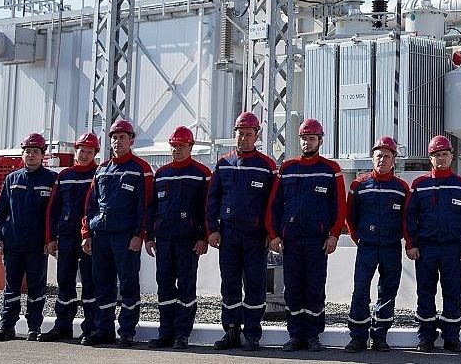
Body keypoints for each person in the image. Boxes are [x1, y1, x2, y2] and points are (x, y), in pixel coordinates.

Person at [267, 118, 346, 353]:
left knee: (314, 288)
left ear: (320, 141)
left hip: (317, 241)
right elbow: (274, 204)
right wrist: (274, 234)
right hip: (291, 240)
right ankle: (295, 335)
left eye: (312, 138)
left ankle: (312, 336)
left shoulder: (331, 169)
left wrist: (334, 235)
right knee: (292, 289)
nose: (307, 142)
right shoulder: (287, 168)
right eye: (303, 138)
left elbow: (339, 205)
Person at [206, 111, 278, 351]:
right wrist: (213, 229)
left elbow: (274, 203)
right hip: (228, 234)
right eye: (240, 134)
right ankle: (231, 331)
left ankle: (252, 334)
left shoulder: (267, 166)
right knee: (230, 284)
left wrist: (270, 232)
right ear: (234, 134)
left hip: (256, 236)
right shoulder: (224, 163)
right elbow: (213, 198)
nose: (244, 138)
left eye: (249, 134)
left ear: (256, 136)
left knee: (255, 285)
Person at [80, 119, 154, 347]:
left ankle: (127, 331)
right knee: (102, 284)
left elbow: (146, 205)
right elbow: (91, 203)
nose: (117, 141)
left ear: (131, 140)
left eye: (122, 137)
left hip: (126, 237)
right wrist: (86, 233)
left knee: (129, 285)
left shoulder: (141, 169)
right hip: (100, 235)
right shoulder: (102, 169)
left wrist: (139, 234)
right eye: (114, 137)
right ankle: (103, 330)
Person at [405, 135, 461, 353]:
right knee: (425, 291)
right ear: (430, 158)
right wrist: (411, 244)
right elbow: (410, 217)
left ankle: (451, 337)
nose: (441, 158)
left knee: (452, 291)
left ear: (451, 156)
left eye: (445, 154)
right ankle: (426, 337)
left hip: (452, 248)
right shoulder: (419, 185)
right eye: (437, 155)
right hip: (425, 248)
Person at [145, 126, 211, 350]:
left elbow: (206, 209)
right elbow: (152, 207)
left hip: (188, 241)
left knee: (185, 286)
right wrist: (149, 236)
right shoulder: (161, 174)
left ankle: (182, 334)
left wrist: (203, 237)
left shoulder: (201, 173)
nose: (177, 149)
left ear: (191, 147)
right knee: (164, 286)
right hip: (164, 240)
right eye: (174, 145)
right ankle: (166, 332)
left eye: (182, 146)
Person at [0, 133, 58, 342]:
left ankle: (34, 327)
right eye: (27, 151)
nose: (31, 155)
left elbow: (54, 212)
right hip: (13, 242)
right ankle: (6, 326)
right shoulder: (12, 179)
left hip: (38, 244)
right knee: (11, 287)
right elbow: (1, 210)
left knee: (37, 287)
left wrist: (51, 239)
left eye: (35, 151)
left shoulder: (51, 179)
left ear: (43, 155)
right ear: (22, 154)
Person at [345, 137, 410, 353]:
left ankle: (380, 336)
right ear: (372, 158)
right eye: (379, 155)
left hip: (391, 247)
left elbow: (406, 219)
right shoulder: (359, 185)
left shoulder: (401, 188)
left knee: (388, 291)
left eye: (387, 156)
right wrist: (358, 238)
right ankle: (358, 337)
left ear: (394, 160)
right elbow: (350, 217)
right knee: (360, 289)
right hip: (367, 247)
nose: (382, 160)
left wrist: (407, 242)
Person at [40, 132, 100, 342]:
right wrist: (50, 238)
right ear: (76, 150)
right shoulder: (64, 175)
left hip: (89, 237)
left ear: (95, 154)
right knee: (64, 280)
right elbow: (53, 208)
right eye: (82, 150)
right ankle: (62, 326)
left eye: (89, 152)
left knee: (90, 282)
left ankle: (90, 328)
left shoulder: (99, 174)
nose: (85, 155)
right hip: (66, 236)